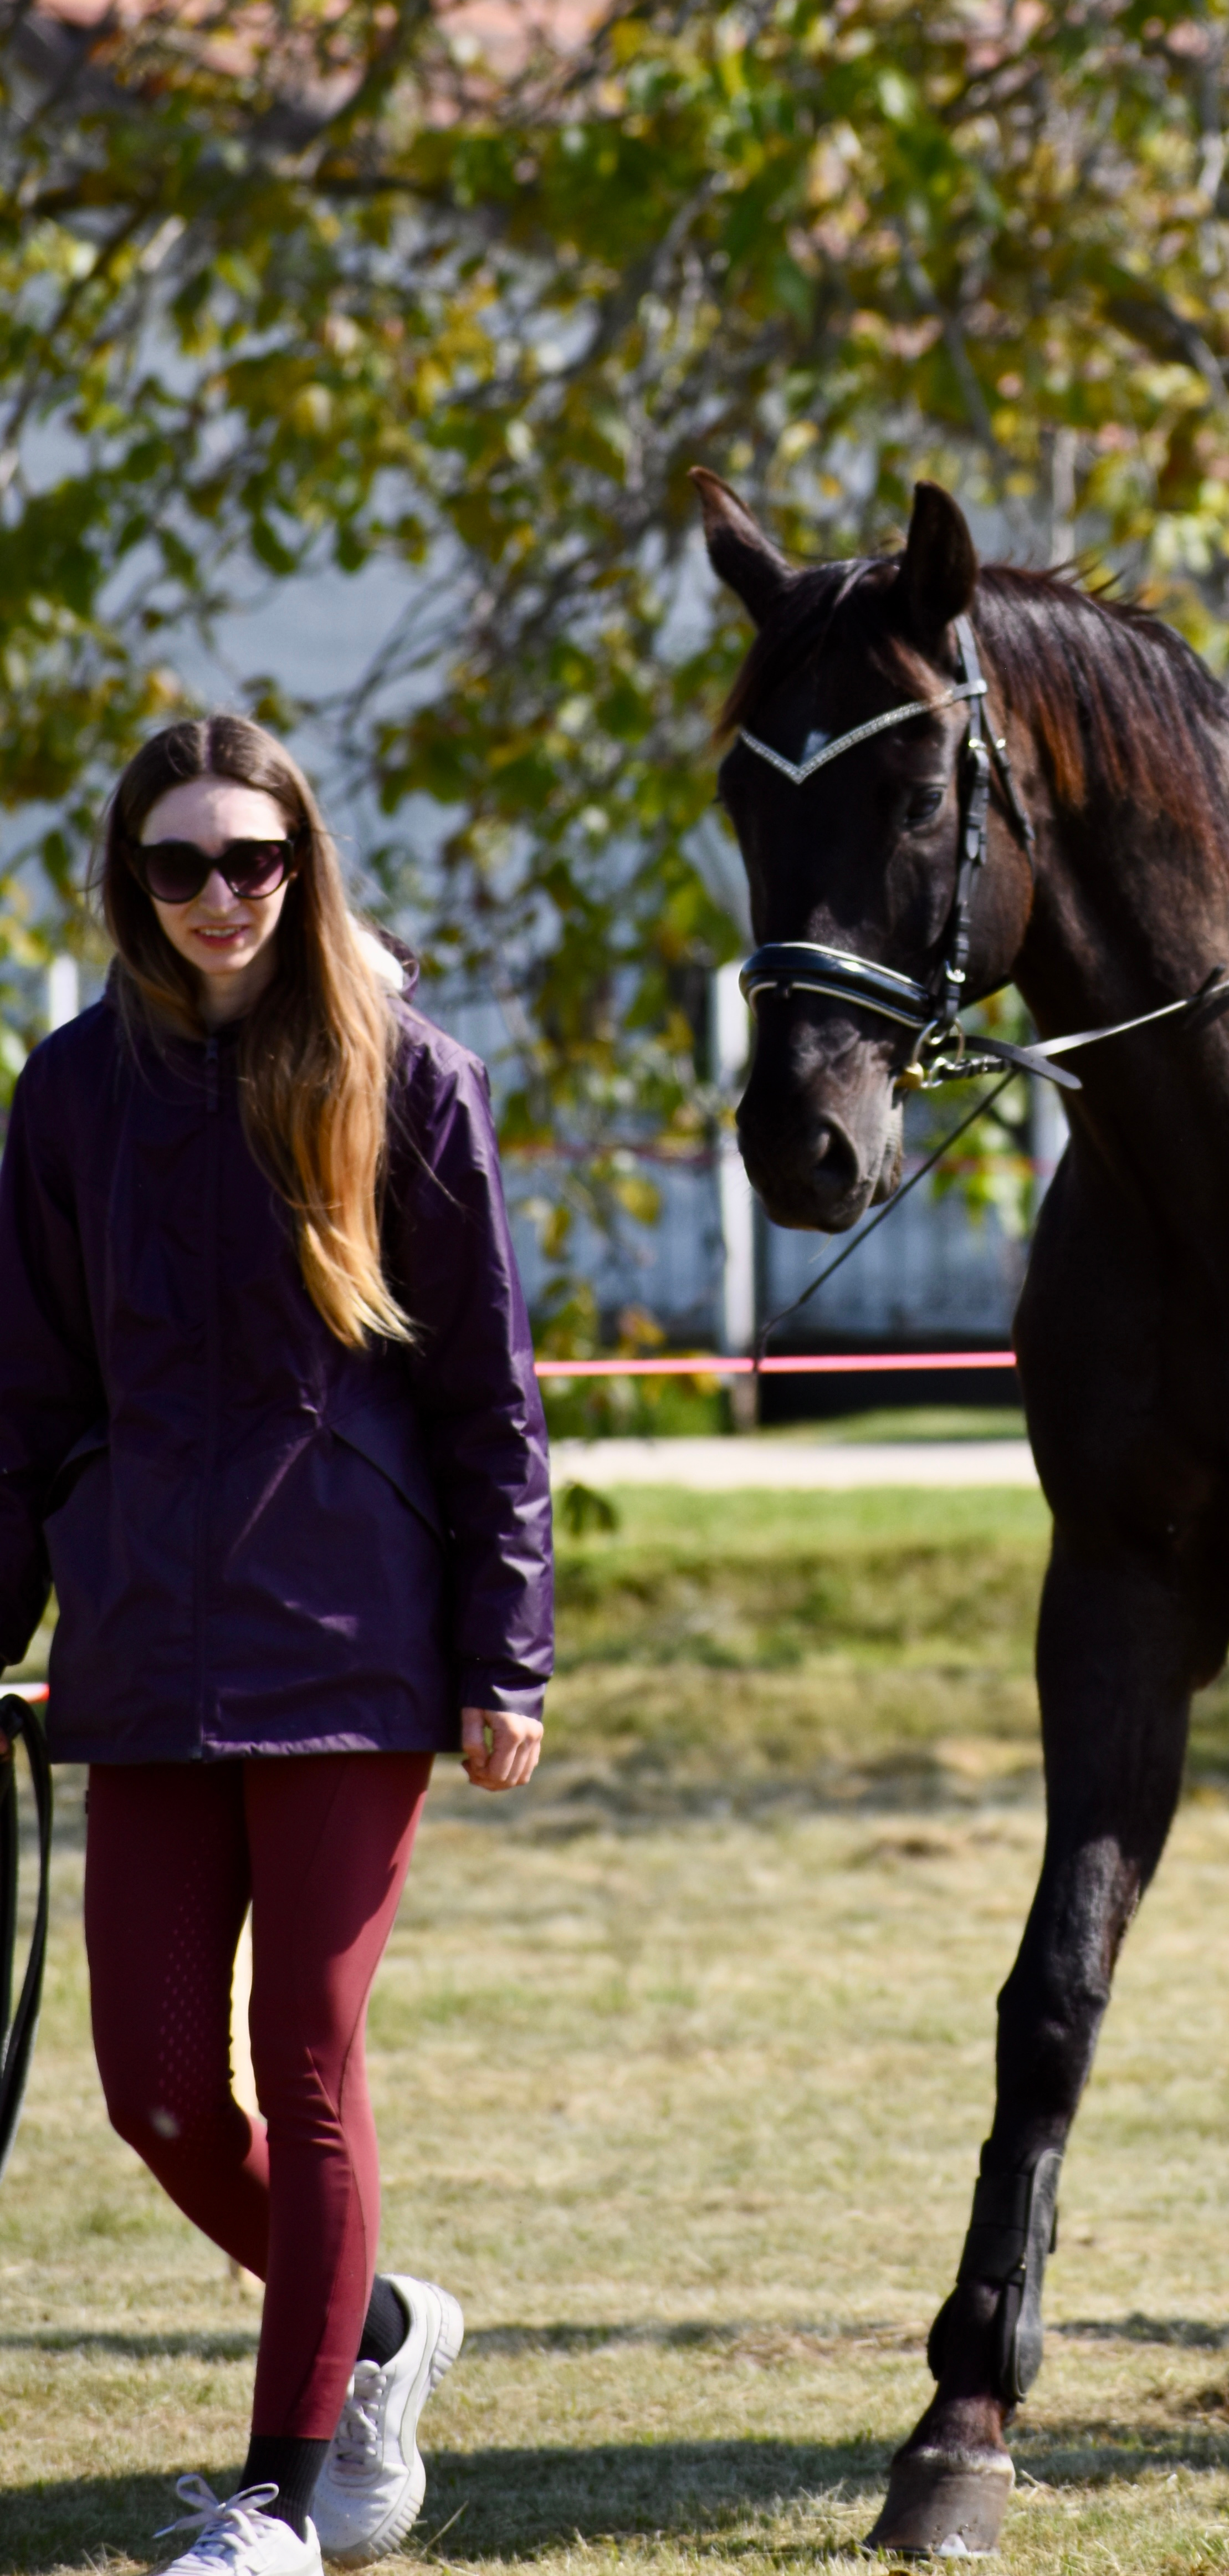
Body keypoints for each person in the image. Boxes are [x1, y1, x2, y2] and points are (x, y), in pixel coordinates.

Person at [0, 717, 555, 2574]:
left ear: (304, 866)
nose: (222, 896)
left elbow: (493, 1402)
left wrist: (510, 1652)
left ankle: (275, 2498)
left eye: (254, 860)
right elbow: (26, 1398)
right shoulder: (68, 1097)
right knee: (156, 2093)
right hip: (146, 1644)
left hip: (353, 1647)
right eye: (181, 865)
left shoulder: (416, 1081)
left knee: (306, 2062)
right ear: (131, 888)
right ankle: (381, 2330)